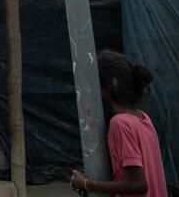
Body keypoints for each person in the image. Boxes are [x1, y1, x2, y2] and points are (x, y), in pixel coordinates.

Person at [69, 51, 168, 196]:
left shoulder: (120, 123)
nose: (93, 92)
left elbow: (139, 184)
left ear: (112, 83)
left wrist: (86, 184)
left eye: (96, 85)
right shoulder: (143, 118)